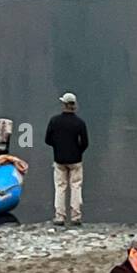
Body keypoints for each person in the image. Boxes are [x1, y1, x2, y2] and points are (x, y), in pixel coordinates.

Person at [45, 92, 88, 227]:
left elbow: (48, 140)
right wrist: (78, 151)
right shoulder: (79, 123)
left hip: (59, 159)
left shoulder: (54, 121)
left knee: (60, 187)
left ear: (64, 104)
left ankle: (60, 216)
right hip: (76, 159)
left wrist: (57, 147)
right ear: (74, 105)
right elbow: (85, 142)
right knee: (76, 187)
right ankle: (76, 216)